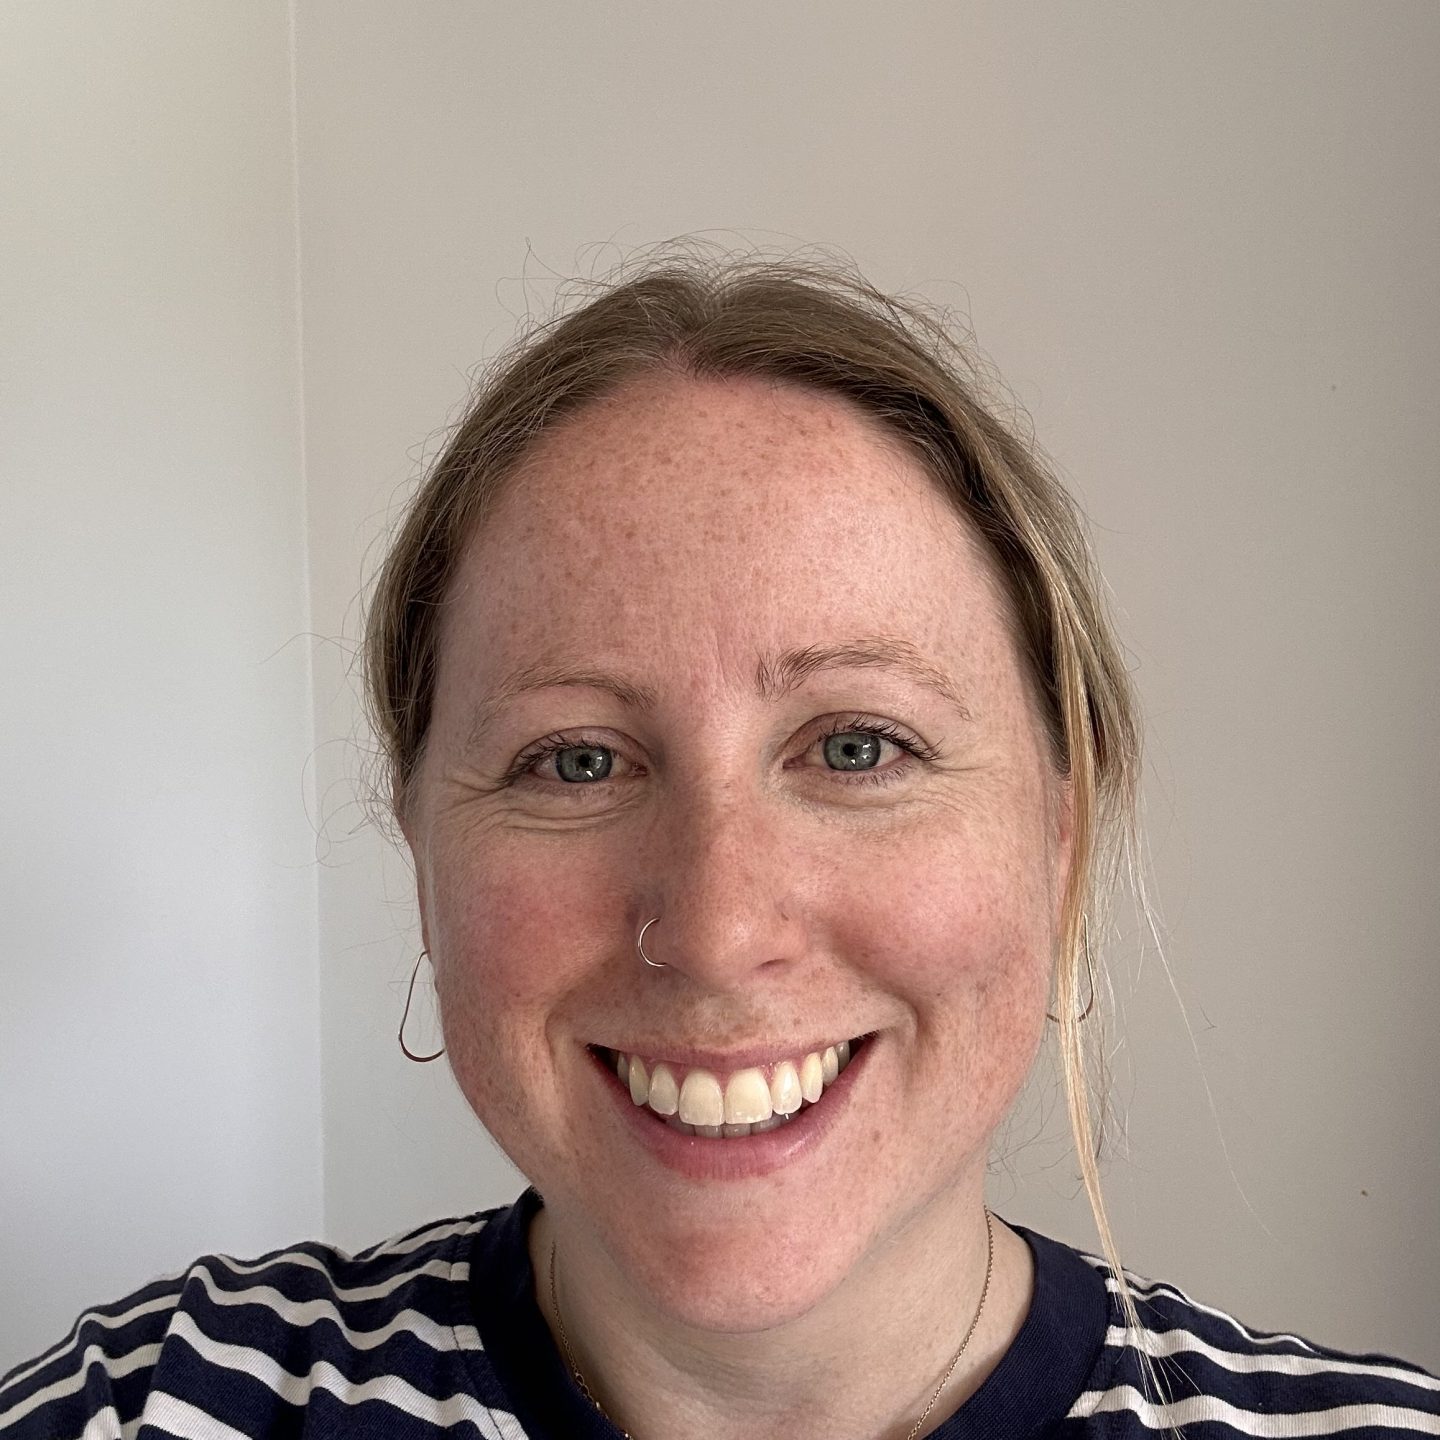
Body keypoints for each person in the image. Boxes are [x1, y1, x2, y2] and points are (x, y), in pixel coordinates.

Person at [3, 251, 1437, 1440]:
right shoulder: (150, 1409)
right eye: (575, 760)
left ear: (1059, 837)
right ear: (421, 848)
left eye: (857, 746)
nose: (714, 929)